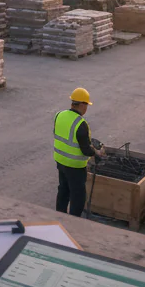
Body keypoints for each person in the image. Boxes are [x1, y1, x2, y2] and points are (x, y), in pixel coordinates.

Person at [54, 88, 105, 217]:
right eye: (86, 105)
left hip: (60, 161)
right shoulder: (81, 123)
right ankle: (74, 221)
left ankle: (60, 216)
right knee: (78, 196)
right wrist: (97, 152)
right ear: (81, 104)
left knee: (63, 190)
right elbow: (86, 150)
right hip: (75, 166)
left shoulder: (59, 115)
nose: (87, 108)